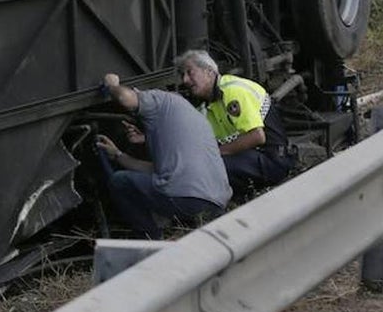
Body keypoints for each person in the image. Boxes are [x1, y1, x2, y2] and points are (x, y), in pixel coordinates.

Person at [95, 73, 232, 239]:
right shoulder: (192, 118)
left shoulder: (158, 99)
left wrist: (112, 86)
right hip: (217, 203)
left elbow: (125, 98)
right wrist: (118, 155)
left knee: (119, 181)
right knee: (153, 181)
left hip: (188, 199)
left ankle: (149, 239)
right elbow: (159, 169)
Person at [176, 50, 296, 196]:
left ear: (209, 71)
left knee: (210, 167)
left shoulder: (231, 91)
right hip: (256, 156)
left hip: (274, 160)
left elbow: (257, 136)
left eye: (190, 73)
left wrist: (216, 154)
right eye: (183, 75)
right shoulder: (208, 104)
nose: (185, 80)